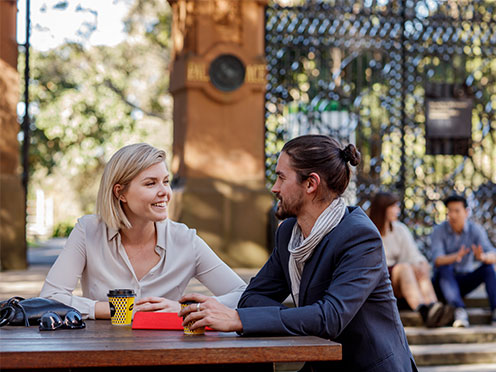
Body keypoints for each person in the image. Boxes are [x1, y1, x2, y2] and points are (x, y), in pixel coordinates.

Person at [179, 135, 417, 371]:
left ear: (311, 184)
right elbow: (252, 298)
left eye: (281, 177)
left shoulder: (359, 237)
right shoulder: (289, 235)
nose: (274, 188)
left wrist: (239, 319)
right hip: (322, 362)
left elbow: (330, 318)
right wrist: (306, 318)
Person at [40, 143, 246, 319]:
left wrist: (185, 309)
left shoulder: (185, 240)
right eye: (151, 183)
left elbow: (243, 294)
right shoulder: (88, 231)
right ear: (120, 193)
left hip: (167, 354)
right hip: (102, 350)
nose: (164, 192)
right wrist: (118, 310)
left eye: (166, 181)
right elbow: (50, 298)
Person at [369, 192, 452, 327]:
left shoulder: (399, 229)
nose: (398, 210)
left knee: (418, 266)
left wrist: (421, 263)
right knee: (404, 268)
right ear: (384, 208)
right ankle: (424, 311)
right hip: (380, 278)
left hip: (401, 277)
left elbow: (413, 254)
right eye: (394, 206)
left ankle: (433, 306)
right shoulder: (369, 230)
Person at [431, 194, 496, 327]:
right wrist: (456, 256)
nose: (453, 215)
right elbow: (437, 260)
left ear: (466, 212)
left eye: (457, 211)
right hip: (443, 283)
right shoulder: (439, 230)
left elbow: (493, 254)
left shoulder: (475, 230)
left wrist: (483, 257)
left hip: (464, 280)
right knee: (444, 267)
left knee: (488, 269)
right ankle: (459, 311)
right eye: (450, 211)